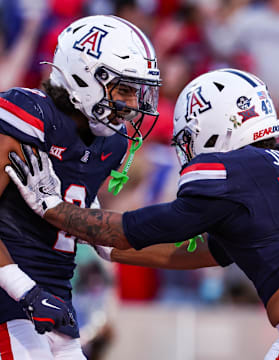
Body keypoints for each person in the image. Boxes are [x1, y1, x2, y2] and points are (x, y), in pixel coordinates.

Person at [6, 68, 279, 359]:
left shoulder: (231, 173)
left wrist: (54, 208)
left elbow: (136, 228)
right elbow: (207, 251)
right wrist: (106, 246)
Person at [0, 14, 161, 359]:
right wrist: (24, 290)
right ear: (86, 75)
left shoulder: (110, 144)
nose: (132, 106)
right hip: (10, 305)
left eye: (137, 92)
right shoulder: (29, 116)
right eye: (124, 89)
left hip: (55, 308)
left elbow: (95, 232)